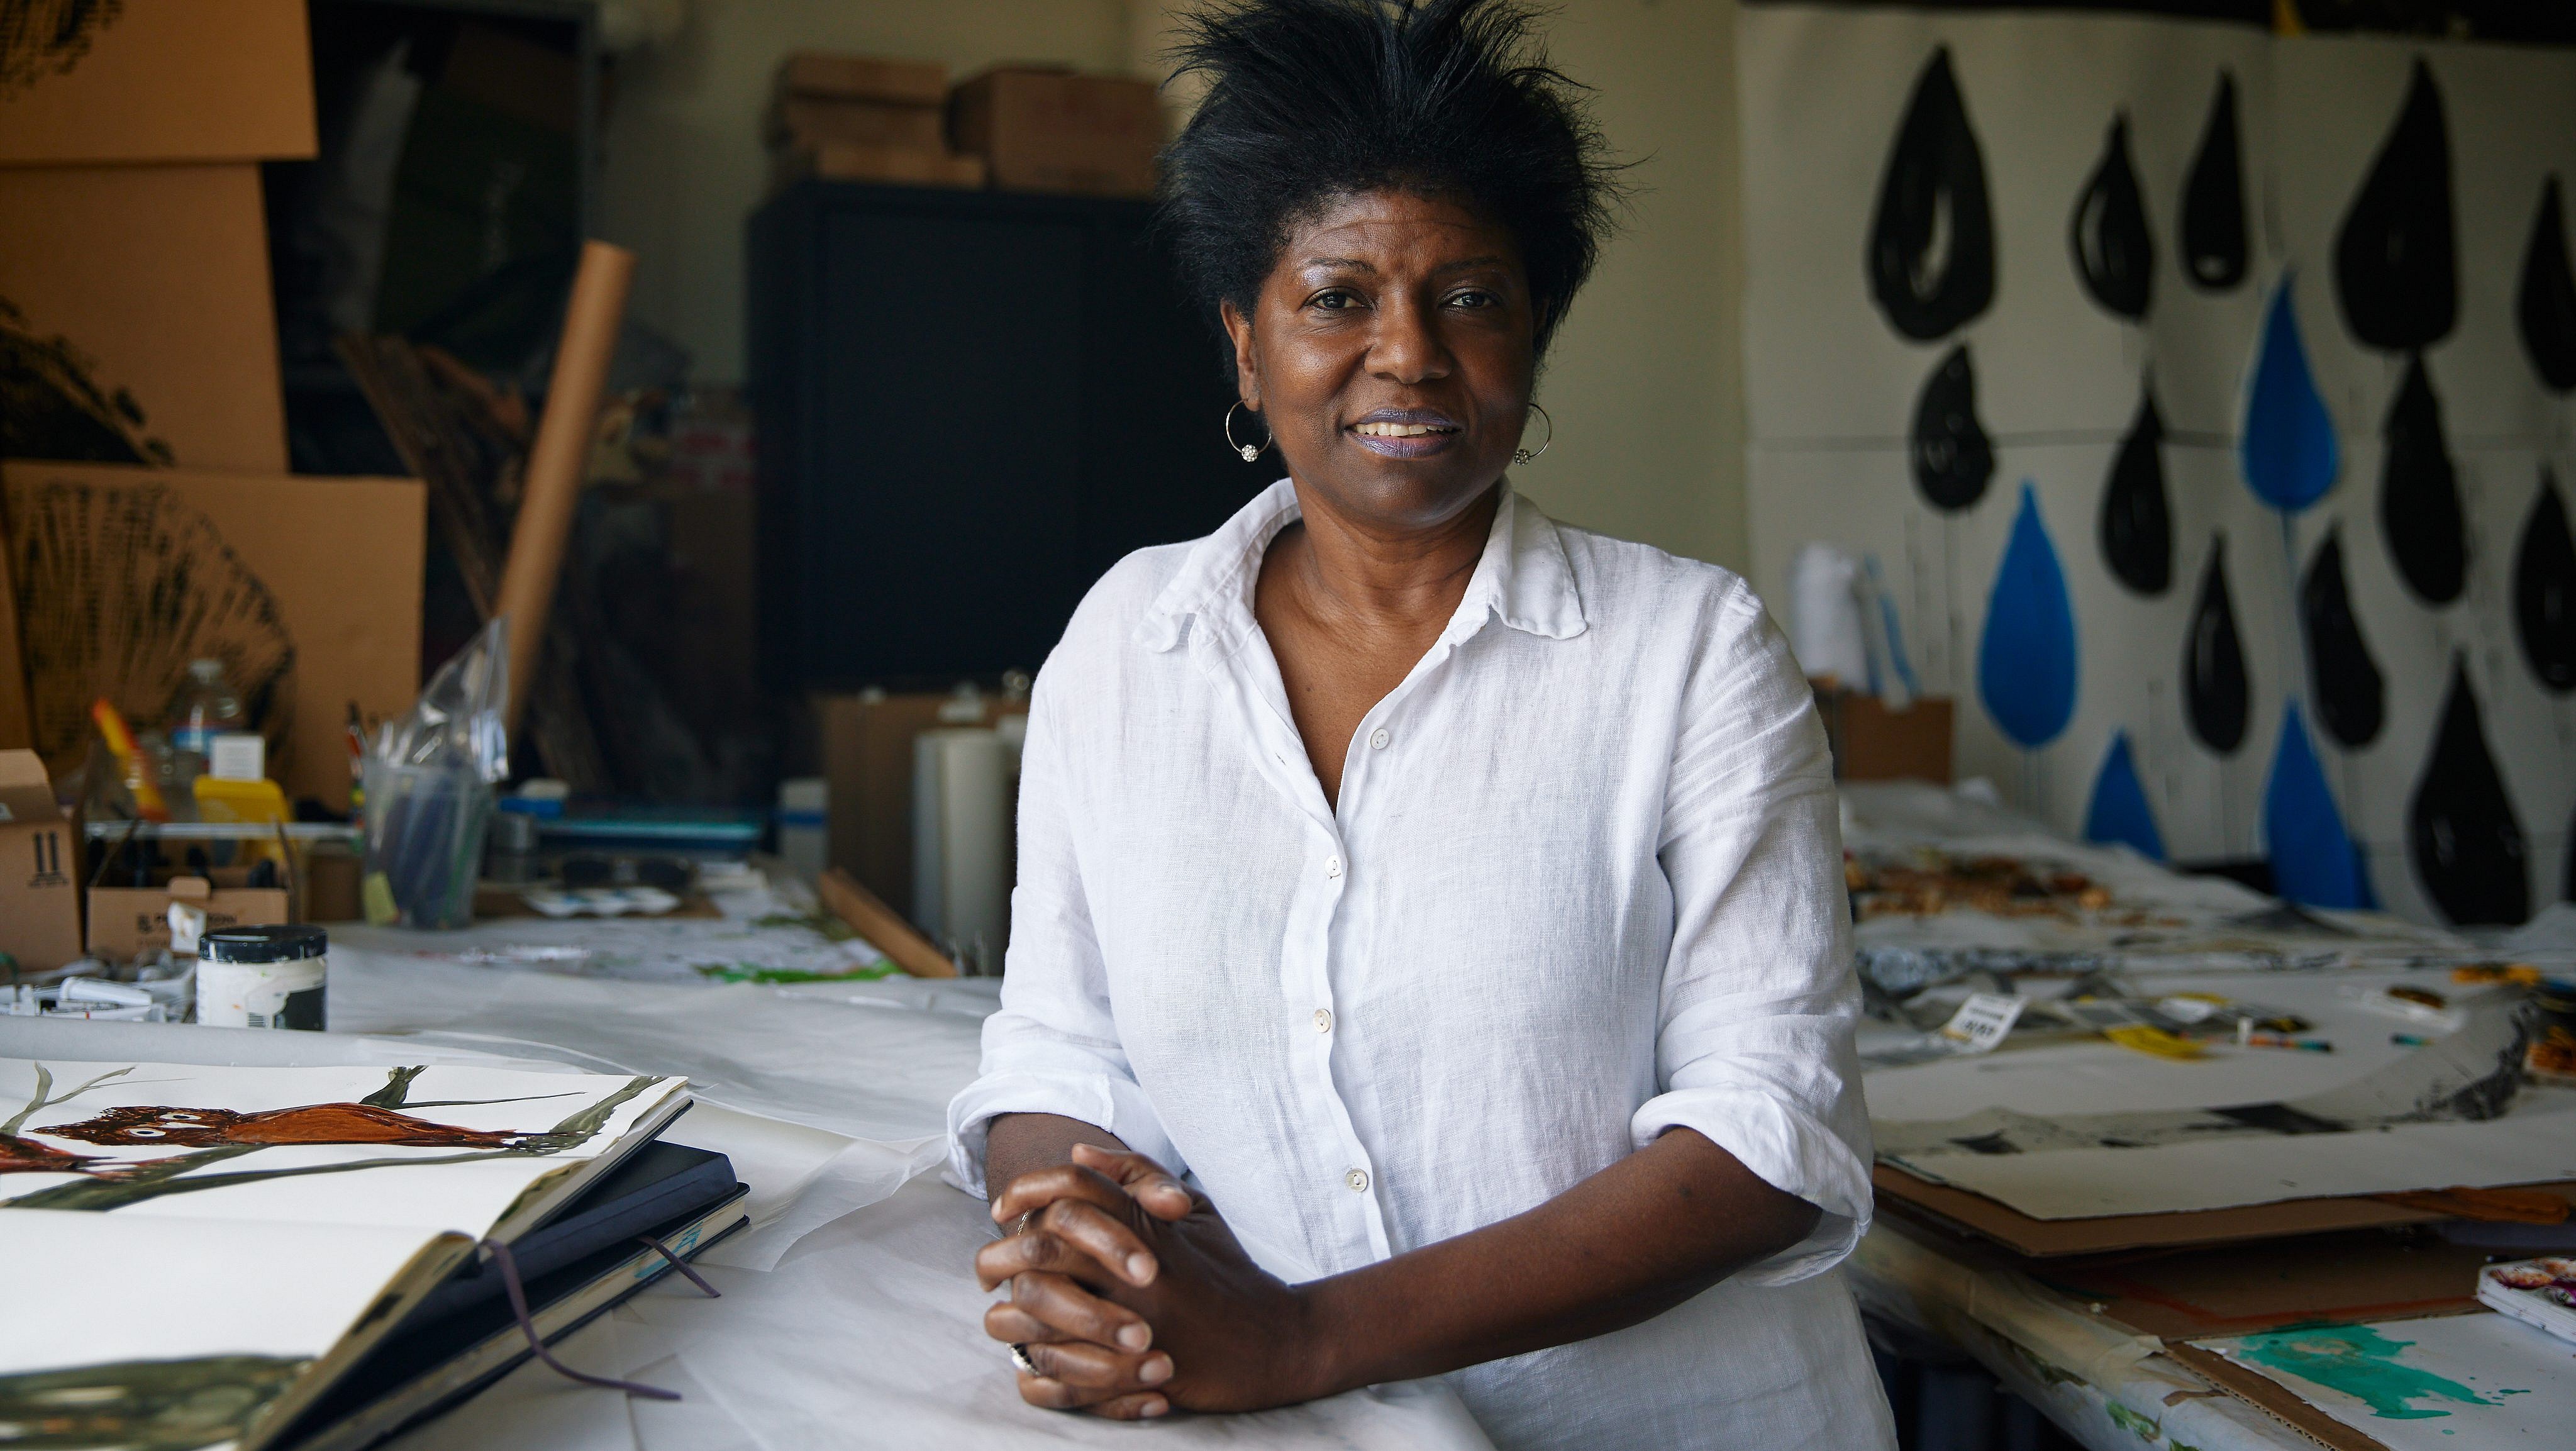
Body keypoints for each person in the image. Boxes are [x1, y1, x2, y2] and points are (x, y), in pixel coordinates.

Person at [945, 2, 1892, 1445]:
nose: (1407, 353)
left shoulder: (1689, 653)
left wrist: (1301, 1332)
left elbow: (1764, 1136)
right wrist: (1093, 1251)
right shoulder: (1126, 646)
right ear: (1245, 349)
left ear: (1530, 335)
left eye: (1471, 297)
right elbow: (1057, 1050)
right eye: (1336, 296)